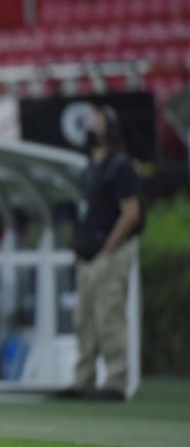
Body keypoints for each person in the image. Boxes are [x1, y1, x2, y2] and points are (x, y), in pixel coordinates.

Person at [65, 104, 144, 402]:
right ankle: (83, 380)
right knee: (84, 320)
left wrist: (108, 247)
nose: (89, 128)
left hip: (111, 253)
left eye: (96, 123)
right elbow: (89, 215)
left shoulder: (119, 165)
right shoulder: (92, 168)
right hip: (91, 255)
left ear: (109, 128)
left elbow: (131, 212)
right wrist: (81, 250)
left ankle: (115, 381)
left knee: (109, 317)